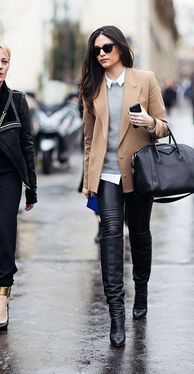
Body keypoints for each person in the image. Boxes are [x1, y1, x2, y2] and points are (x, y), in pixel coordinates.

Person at [80, 25, 168, 347]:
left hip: (139, 173)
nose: (101, 54)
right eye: (96, 50)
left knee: (140, 234)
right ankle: (116, 315)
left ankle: (140, 290)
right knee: (110, 236)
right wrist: (89, 180)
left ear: (120, 47)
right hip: (106, 176)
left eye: (106, 48)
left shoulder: (145, 79)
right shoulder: (91, 87)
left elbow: (164, 126)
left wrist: (150, 123)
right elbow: (89, 138)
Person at [0, 43, 37, 331]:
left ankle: (2, 296)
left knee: (5, 233)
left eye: (4, 61)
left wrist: (31, 188)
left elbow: (27, 145)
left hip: (8, 177)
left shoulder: (17, 100)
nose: (0, 66)